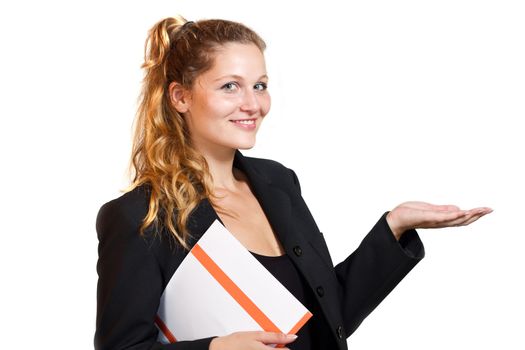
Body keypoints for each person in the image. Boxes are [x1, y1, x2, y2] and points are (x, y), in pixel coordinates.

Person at [94, 16, 492, 350]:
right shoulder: (139, 217)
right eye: (229, 86)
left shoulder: (277, 182)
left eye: (260, 85)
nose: (253, 104)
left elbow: (327, 319)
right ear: (180, 97)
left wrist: (395, 226)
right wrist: (214, 348)